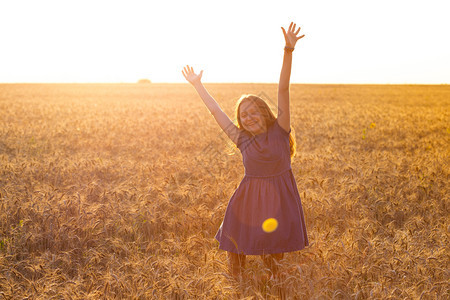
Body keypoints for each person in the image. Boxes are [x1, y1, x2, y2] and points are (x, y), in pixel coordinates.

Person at [182, 22, 309, 280]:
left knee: (273, 254)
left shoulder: (280, 130)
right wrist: (198, 85)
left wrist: (288, 50)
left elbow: (283, 89)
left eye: (253, 112)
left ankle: (274, 282)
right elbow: (216, 111)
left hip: (279, 199)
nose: (248, 117)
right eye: (243, 115)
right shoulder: (242, 139)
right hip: (248, 198)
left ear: (264, 111)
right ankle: (236, 286)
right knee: (236, 244)